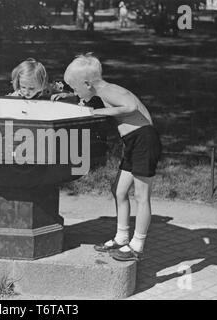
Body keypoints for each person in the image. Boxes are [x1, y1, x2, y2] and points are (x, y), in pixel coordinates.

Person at [63, 53, 162, 261]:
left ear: (87, 84)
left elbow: (131, 107)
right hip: (133, 142)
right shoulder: (102, 91)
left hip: (144, 139)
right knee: (118, 190)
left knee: (141, 196)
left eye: (75, 88)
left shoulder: (110, 90)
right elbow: (94, 101)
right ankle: (122, 237)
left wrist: (98, 112)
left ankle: (137, 245)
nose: (75, 92)